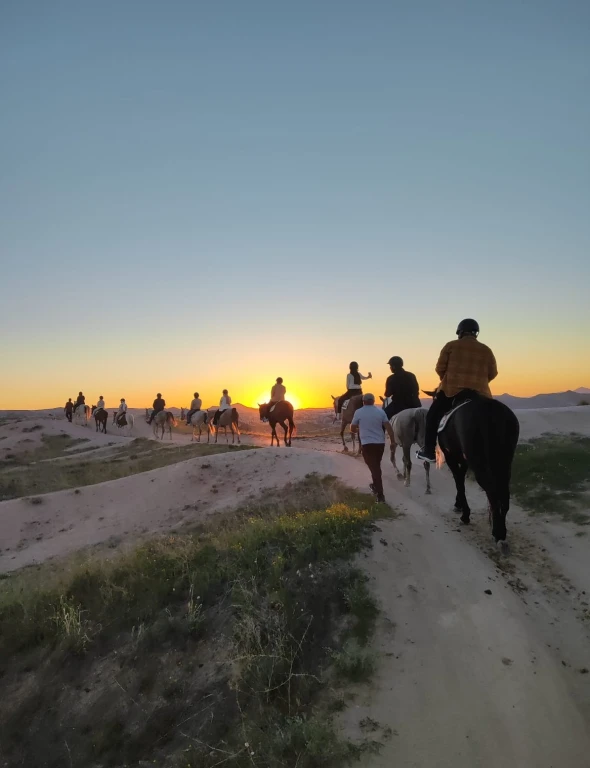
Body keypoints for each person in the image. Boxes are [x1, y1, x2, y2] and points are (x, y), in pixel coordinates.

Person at [416, 319, 498, 462]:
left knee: (432, 416)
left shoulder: (451, 345)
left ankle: (429, 451)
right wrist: (479, 383)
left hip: (452, 391)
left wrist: (447, 380)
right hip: (481, 393)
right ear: (476, 333)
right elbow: (493, 373)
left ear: (459, 332)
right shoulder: (486, 349)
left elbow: (440, 368)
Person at [351, 393, 395, 503]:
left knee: (375, 468)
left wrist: (356, 431)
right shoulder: (380, 411)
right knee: (376, 466)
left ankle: (380, 495)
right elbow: (388, 426)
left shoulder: (359, 412)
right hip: (380, 444)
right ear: (374, 401)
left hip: (367, 444)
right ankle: (375, 486)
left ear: (363, 401)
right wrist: (393, 441)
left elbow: (352, 427)